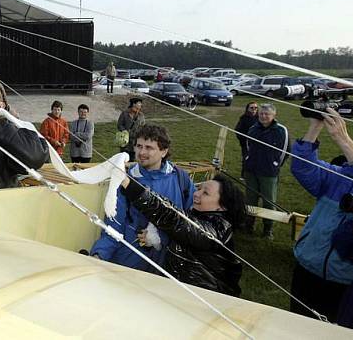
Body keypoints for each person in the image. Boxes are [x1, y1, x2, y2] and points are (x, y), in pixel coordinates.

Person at [288, 107, 353, 322]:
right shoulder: (338, 176)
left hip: (343, 280)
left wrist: (343, 139)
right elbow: (301, 167)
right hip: (306, 268)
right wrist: (315, 127)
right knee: (294, 327)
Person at [117, 173, 247, 296]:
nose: (196, 194)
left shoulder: (217, 229)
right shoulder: (197, 216)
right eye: (199, 188)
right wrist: (156, 239)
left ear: (222, 207)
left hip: (205, 301)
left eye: (205, 193)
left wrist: (131, 186)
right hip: (180, 293)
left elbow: (174, 219)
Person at [90, 124, 194, 271]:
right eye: (139, 146)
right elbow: (113, 227)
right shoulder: (124, 180)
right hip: (129, 264)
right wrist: (98, 255)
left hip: (167, 267)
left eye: (149, 147)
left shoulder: (181, 180)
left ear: (164, 152)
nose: (142, 152)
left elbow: (192, 225)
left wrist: (161, 237)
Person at [243, 103, 289, 239]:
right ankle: (248, 224)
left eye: (267, 114)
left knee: (269, 201)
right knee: (250, 199)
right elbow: (247, 146)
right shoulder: (253, 129)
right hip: (251, 170)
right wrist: (247, 159)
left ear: (274, 115)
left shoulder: (281, 131)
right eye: (261, 113)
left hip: (268, 172)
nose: (263, 116)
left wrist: (275, 165)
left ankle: (267, 229)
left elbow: (285, 151)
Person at [234, 102, 259, 173]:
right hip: (246, 143)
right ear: (248, 109)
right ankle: (244, 174)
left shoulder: (260, 118)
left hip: (257, 143)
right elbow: (237, 130)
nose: (254, 109)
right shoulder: (243, 118)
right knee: (246, 158)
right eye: (251, 107)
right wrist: (244, 139)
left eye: (256, 108)